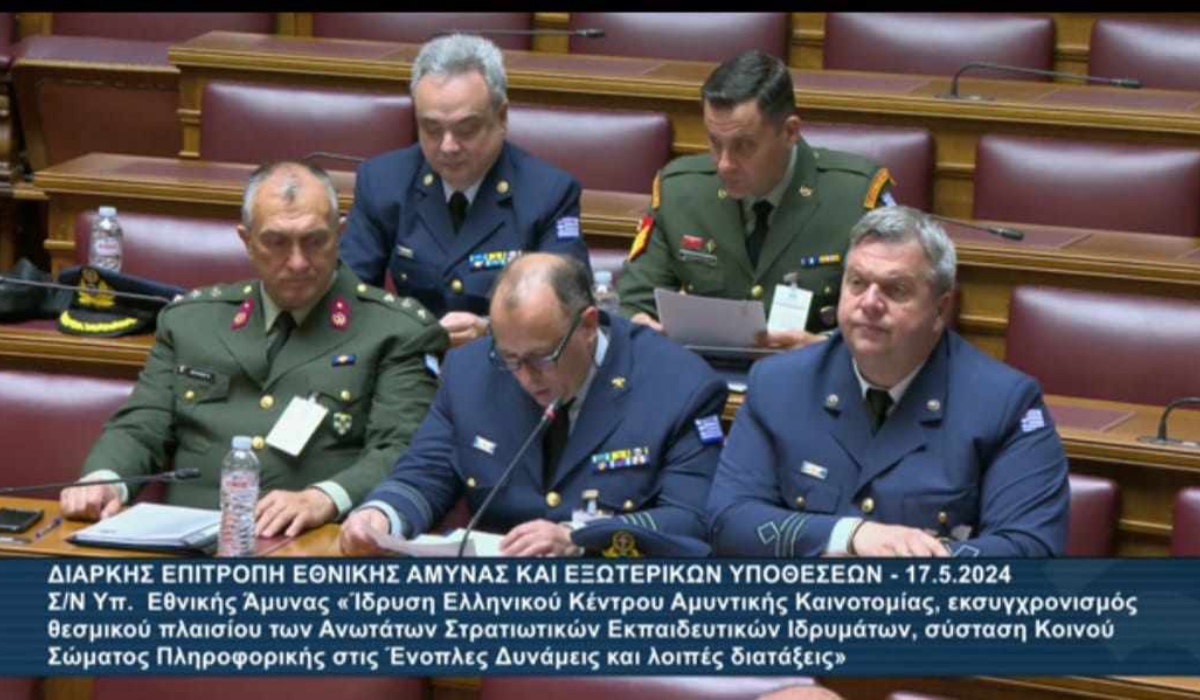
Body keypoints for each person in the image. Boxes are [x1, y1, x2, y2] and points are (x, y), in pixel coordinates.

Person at [61, 161, 448, 538]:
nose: (298, 262)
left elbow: (401, 448)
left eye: (315, 241)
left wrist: (326, 498)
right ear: (246, 240)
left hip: (310, 543)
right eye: (276, 242)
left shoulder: (396, 331)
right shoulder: (191, 321)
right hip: (183, 544)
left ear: (339, 233)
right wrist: (106, 480)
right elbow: (142, 425)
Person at [708, 206, 1069, 558]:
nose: (869, 303)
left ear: (941, 309)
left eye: (896, 289)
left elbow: (1031, 548)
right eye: (857, 283)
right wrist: (849, 536)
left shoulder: (1004, 403)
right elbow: (728, 518)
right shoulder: (780, 384)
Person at [339, 253, 728, 557]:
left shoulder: (679, 386)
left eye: (542, 358)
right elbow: (426, 472)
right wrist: (383, 514)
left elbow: (691, 519)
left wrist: (580, 538)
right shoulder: (469, 372)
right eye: (509, 358)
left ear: (588, 326)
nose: (525, 376)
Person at [617, 50, 894, 350]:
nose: (724, 164)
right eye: (715, 143)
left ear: (789, 132)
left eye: (744, 146)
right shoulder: (680, 191)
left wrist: (822, 348)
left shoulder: (855, 198)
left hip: (814, 374)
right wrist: (642, 325)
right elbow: (634, 303)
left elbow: (895, 315)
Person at [340, 33, 588, 348]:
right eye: (431, 129)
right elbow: (351, 296)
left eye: (466, 129)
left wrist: (491, 330)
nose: (448, 146)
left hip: (507, 361)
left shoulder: (548, 193)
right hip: (410, 358)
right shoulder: (383, 182)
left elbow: (567, 308)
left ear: (501, 117)